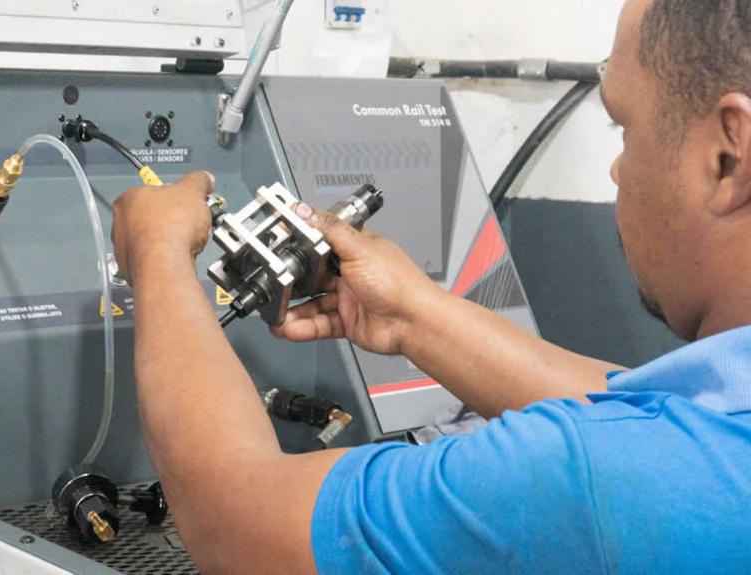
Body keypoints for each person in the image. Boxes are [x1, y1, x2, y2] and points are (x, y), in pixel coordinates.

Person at [109, 0, 751, 572]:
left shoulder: (609, 480)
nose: (617, 168)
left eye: (623, 127)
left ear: (729, 155)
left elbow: (237, 525)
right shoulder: (714, 424)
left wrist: (157, 253)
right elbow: (642, 408)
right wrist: (412, 315)